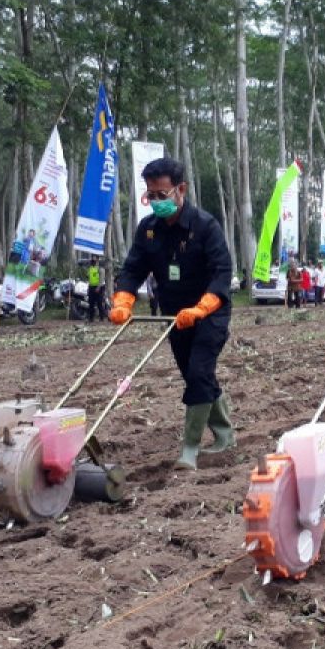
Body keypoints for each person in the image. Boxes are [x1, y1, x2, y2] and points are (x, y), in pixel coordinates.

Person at [110, 157, 235, 471]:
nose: (155, 201)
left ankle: (189, 449)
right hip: (173, 317)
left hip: (210, 313)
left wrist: (202, 308)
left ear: (181, 190)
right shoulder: (148, 230)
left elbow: (222, 272)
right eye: (150, 195)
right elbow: (133, 268)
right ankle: (224, 433)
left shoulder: (205, 226)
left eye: (161, 195)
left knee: (198, 372)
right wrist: (123, 300)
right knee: (195, 375)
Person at [85, 256, 106, 321]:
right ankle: (91, 318)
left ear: (97, 261)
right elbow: (89, 278)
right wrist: (88, 287)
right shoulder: (90, 269)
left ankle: (101, 318)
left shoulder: (100, 269)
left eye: (94, 260)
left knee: (99, 303)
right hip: (91, 287)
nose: (93, 261)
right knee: (91, 303)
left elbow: (102, 279)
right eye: (92, 260)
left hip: (99, 287)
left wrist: (98, 287)